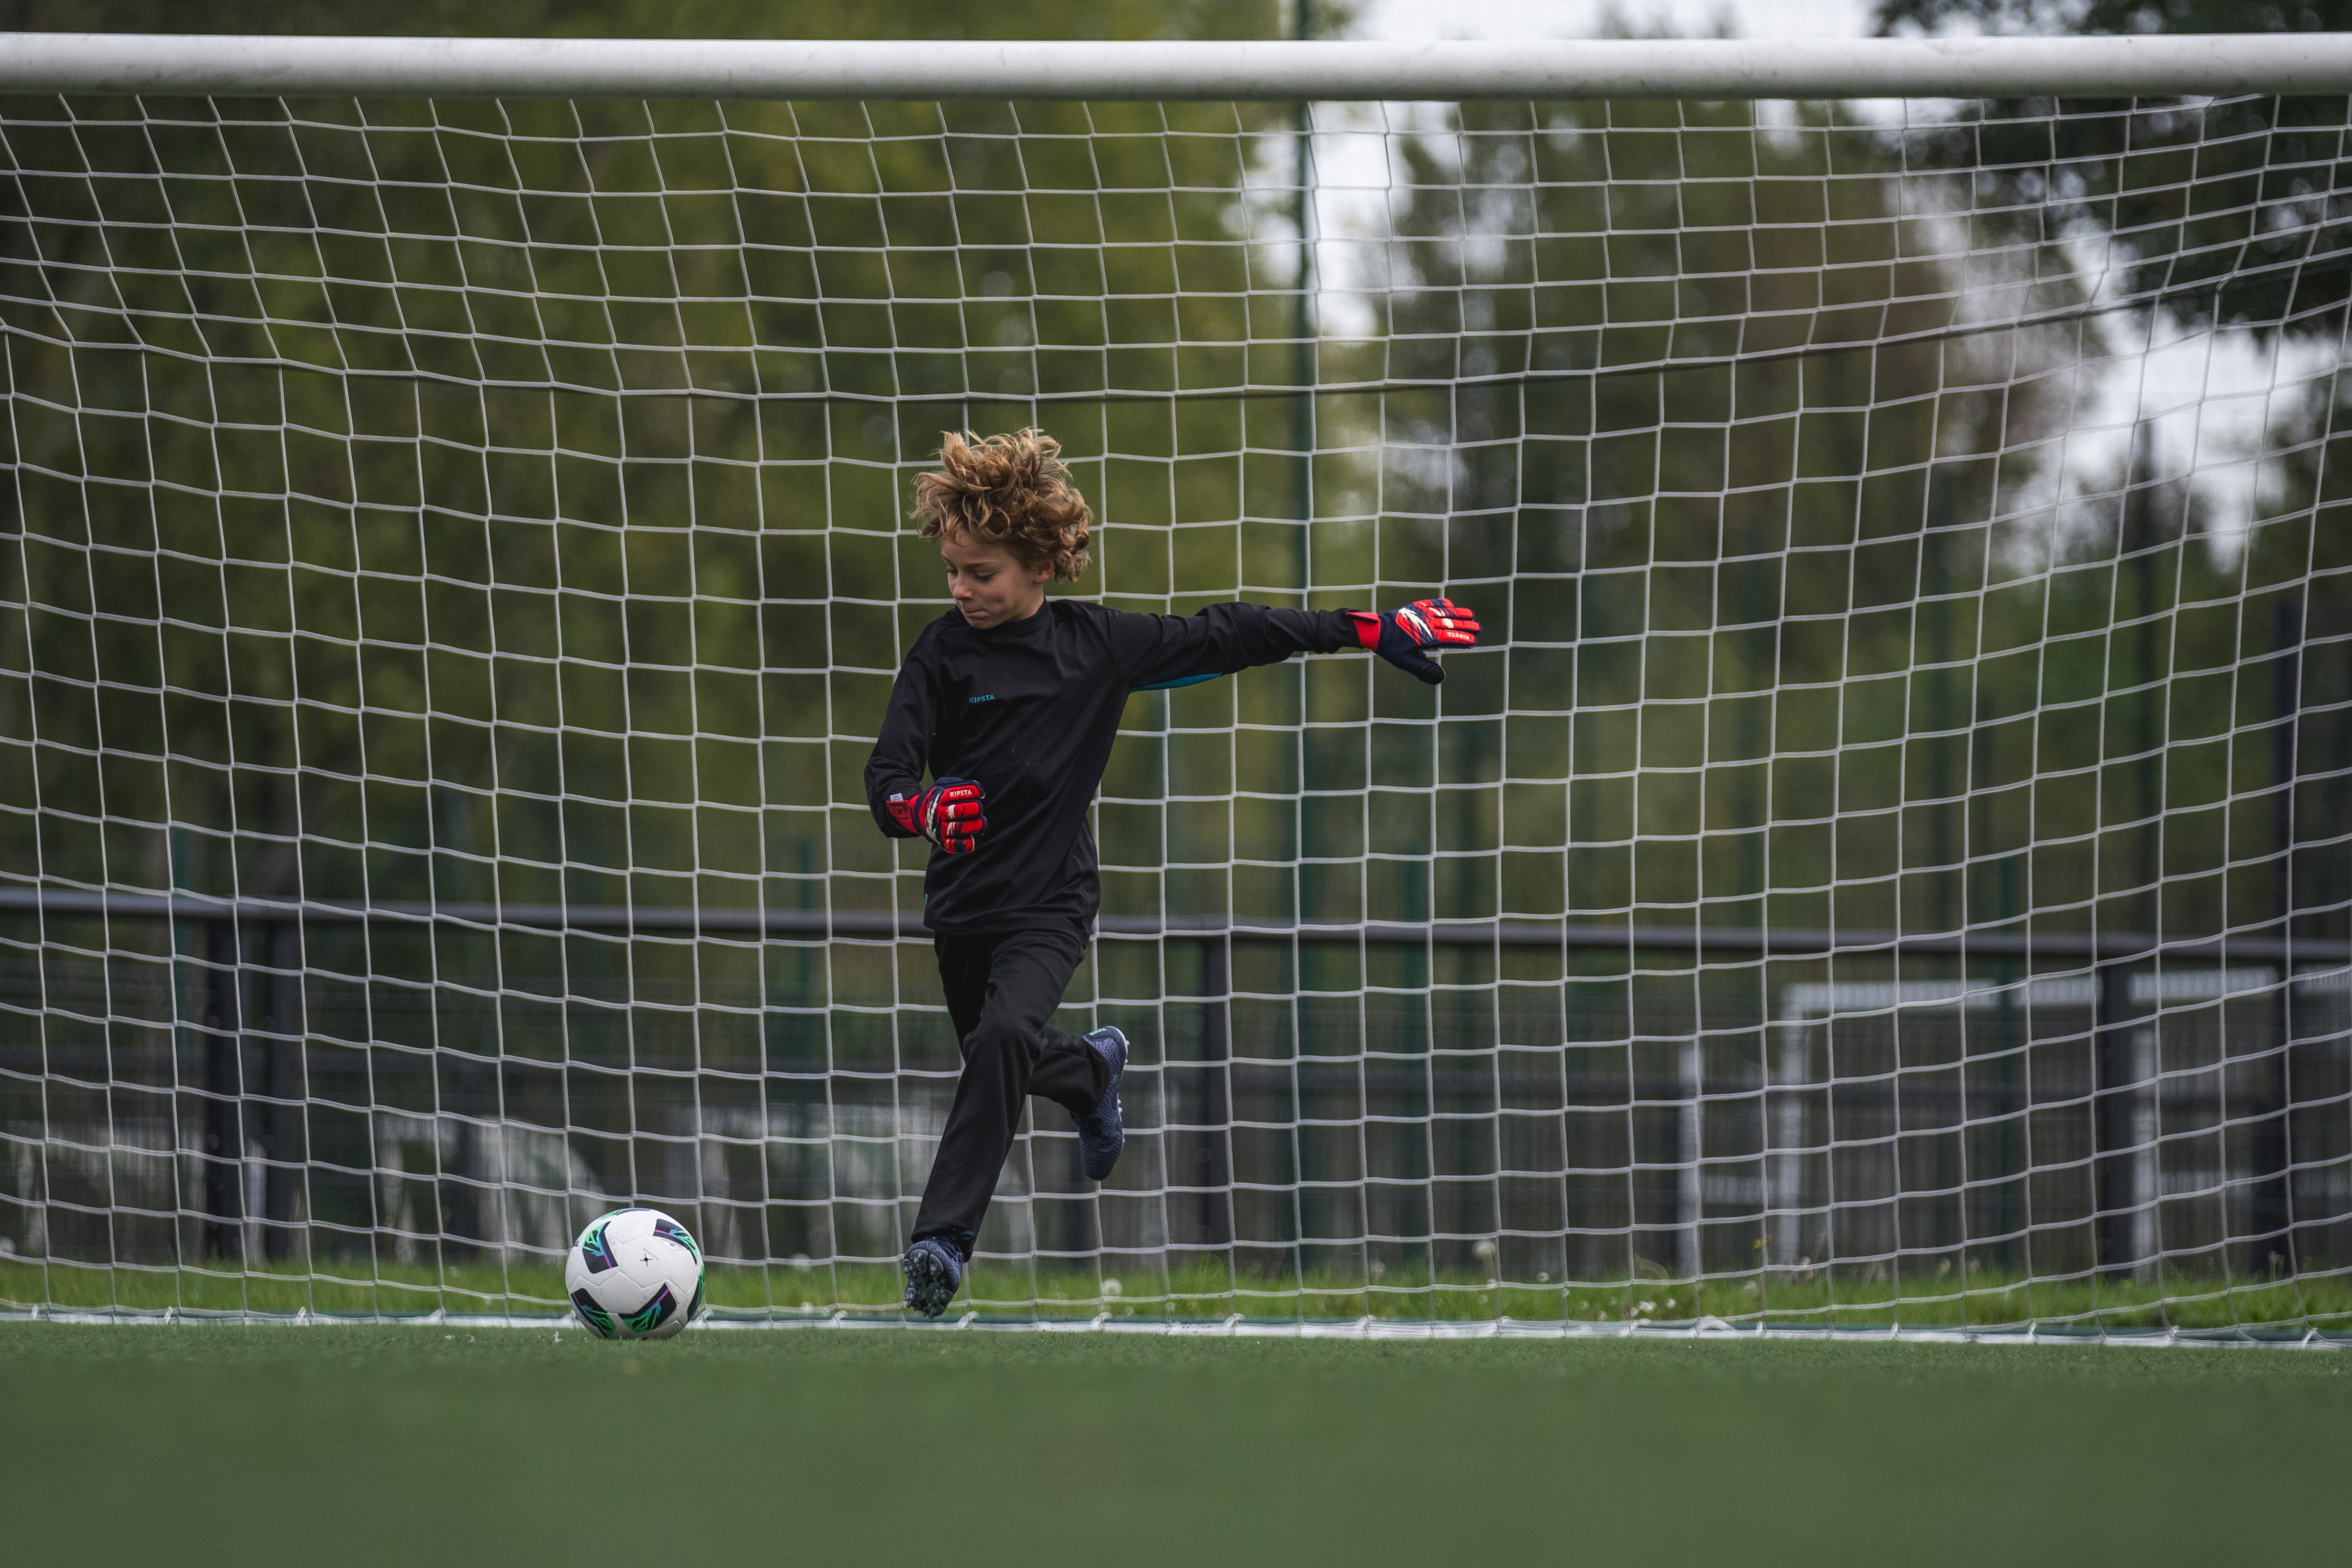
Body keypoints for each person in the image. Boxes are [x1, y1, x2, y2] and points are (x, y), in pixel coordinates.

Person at [864, 428, 1480, 1318]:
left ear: (1040, 563)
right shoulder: (940, 654)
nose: (962, 590)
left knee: (998, 1044)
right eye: (953, 572)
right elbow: (885, 782)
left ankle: (940, 1245)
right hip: (963, 906)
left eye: (981, 573)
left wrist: (1365, 627)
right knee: (1002, 1053)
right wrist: (922, 811)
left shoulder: (1099, 646)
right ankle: (1088, 1072)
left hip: (1050, 902)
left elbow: (1229, 632)